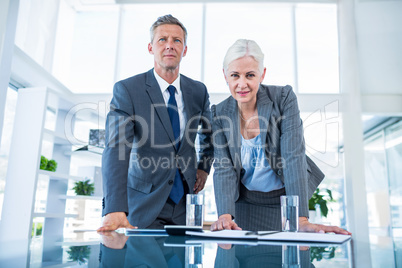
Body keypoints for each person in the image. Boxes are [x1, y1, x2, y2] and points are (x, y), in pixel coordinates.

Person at [210, 39, 350, 234]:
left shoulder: (283, 98)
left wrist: (300, 218)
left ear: (262, 74)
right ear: (225, 76)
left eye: (250, 75)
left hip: (286, 200)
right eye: (235, 75)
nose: (242, 84)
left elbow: (293, 157)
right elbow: (224, 168)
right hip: (246, 203)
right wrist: (224, 216)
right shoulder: (218, 113)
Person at [98, 14, 213, 231]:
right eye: (163, 39)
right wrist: (114, 207)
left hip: (184, 205)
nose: (170, 45)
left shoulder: (198, 91)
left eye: (177, 40)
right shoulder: (128, 90)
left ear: (185, 50)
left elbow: (210, 135)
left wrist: (203, 168)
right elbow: (116, 148)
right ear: (151, 47)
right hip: (144, 203)